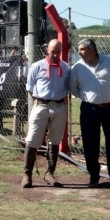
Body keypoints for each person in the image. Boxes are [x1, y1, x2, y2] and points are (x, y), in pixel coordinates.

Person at [69, 38, 110, 188]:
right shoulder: (77, 68)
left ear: (92, 50)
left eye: (82, 49)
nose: (79, 52)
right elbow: (73, 88)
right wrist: (86, 97)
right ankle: (94, 176)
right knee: (90, 143)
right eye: (79, 49)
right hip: (89, 109)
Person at [22, 39, 70, 188]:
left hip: (60, 107)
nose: (55, 54)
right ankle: (27, 174)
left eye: (58, 52)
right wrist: (39, 101)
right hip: (41, 106)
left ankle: (50, 173)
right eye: (53, 51)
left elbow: (69, 86)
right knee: (32, 139)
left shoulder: (66, 68)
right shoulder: (37, 66)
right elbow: (30, 87)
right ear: (47, 50)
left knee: (55, 141)